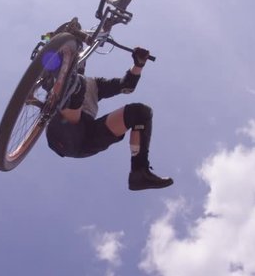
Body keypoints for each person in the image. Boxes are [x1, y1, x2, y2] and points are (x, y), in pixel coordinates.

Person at [44, 25, 173, 191]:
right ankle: (61, 81)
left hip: (86, 138)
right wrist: (52, 39)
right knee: (74, 84)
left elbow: (126, 86)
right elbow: (49, 50)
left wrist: (138, 65)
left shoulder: (95, 84)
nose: (78, 65)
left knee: (140, 112)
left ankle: (139, 172)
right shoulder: (64, 77)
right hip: (62, 127)